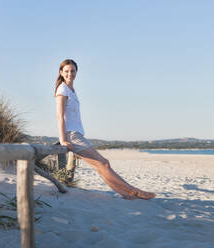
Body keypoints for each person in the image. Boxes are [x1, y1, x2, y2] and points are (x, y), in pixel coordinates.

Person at [55, 59, 155, 200]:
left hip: (76, 133)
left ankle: (126, 195)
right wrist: (63, 139)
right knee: (104, 163)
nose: (69, 73)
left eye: (72, 71)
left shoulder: (72, 90)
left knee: (101, 166)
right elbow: (59, 116)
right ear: (61, 72)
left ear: (76, 72)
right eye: (66, 71)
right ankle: (134, 192)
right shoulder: (63, 89)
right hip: (71, 135)